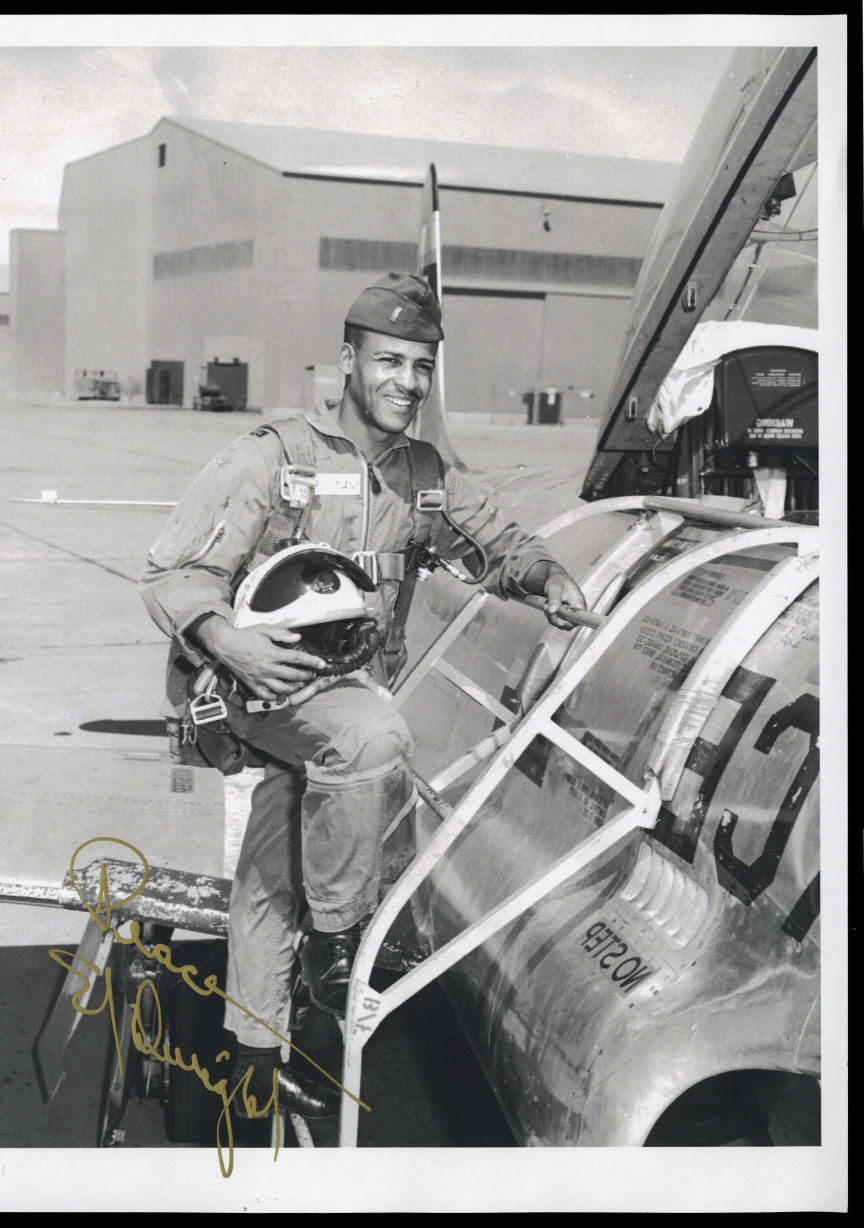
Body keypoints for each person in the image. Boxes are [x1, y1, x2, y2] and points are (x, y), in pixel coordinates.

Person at [140, 272, 586, 1118]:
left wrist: (545, 576)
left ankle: (250, 1065)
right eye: (388, 362)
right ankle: (339, 942)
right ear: (348, 362)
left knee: (270, 873)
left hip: (339, 696)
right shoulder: (272, 459)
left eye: (420, 368)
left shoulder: (423, 475)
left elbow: (498, 539)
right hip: (255, 687)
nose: (405, 384)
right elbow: (170, 574)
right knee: (377, 739)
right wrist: (229, 641)